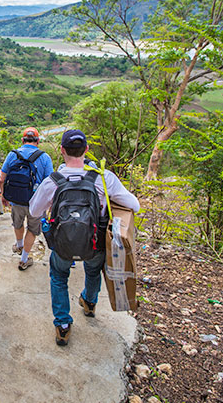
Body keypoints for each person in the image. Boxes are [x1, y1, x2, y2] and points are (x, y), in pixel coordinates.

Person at [29, 129, 140, 346]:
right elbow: (134, 205)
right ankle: (89, 303)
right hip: (94, 242)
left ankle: (62, 325)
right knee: (92, 270)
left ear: (62, 151)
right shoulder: (103, 178)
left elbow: (34, 211)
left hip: (62, 244)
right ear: (86, 150)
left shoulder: (54, 181)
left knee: (59, 277)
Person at [0, 127, 53, 271]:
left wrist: (4, 196)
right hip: (36, 202)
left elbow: (2, 179)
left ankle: (19, 244)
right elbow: (50, 184)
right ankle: (24, 259)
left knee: (17, 223)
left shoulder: (12, 155)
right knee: (32, 229)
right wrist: (49, 204)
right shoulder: (44, 157)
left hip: (16, 200)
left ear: (23, 140)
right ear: (38, 141)